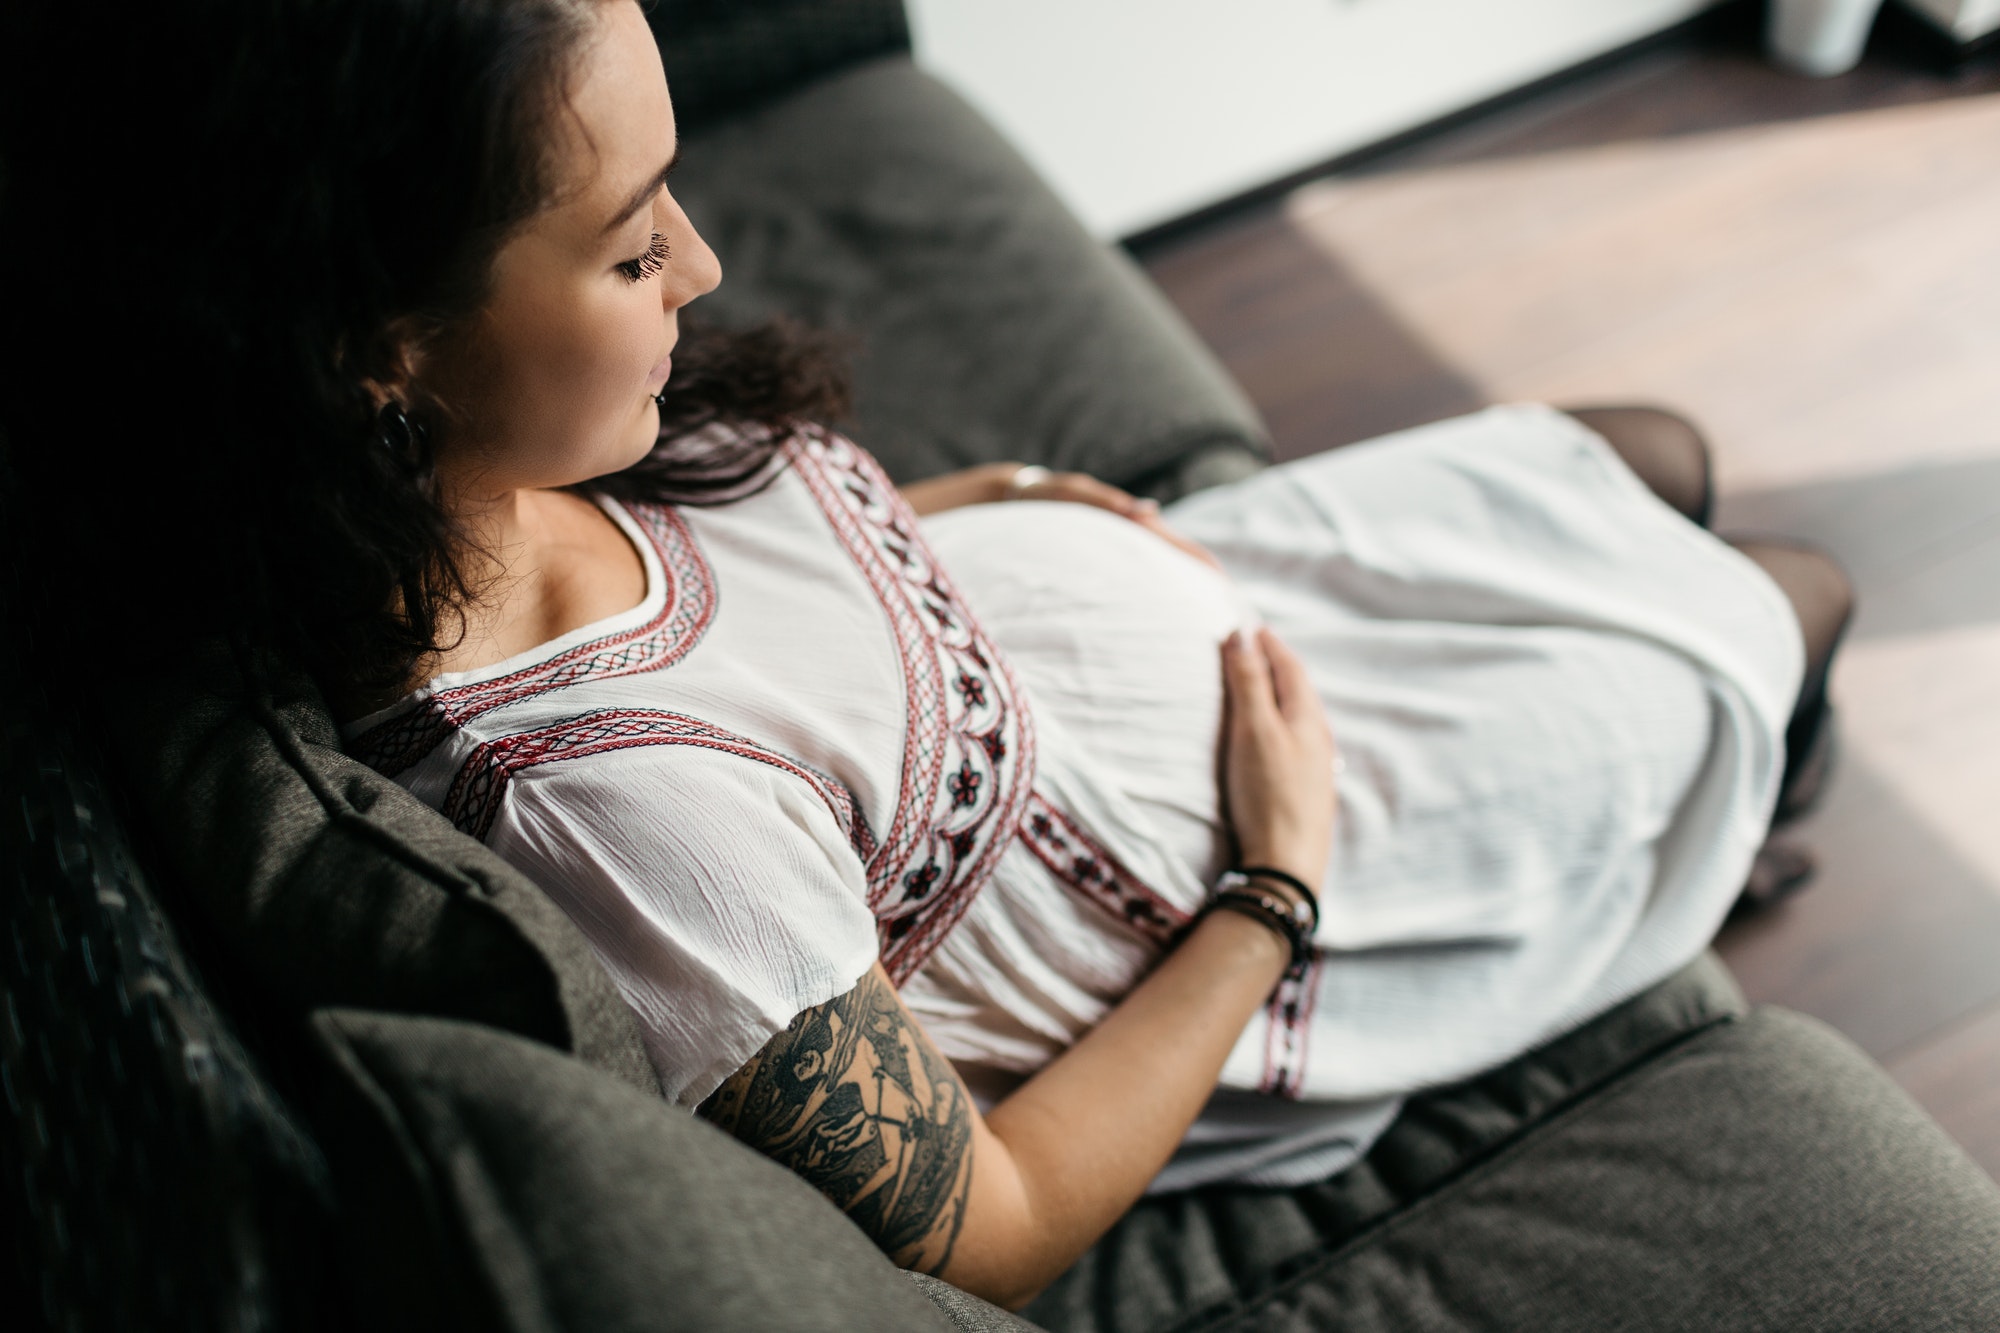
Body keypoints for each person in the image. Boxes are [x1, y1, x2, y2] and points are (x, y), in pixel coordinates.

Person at [2, 0, 1851, 1311]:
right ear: (373, 348)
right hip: (1241, 844)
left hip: (1124, 628)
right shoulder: (619, 827)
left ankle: (1723, 790)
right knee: (1788, 598)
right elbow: (1003, 1216)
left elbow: (756, 624)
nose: (706, 264)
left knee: (1644, 452)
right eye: (630, 243)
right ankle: (1757, 797)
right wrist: (1276, 880)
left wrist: (991, 498)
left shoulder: (466, 491)